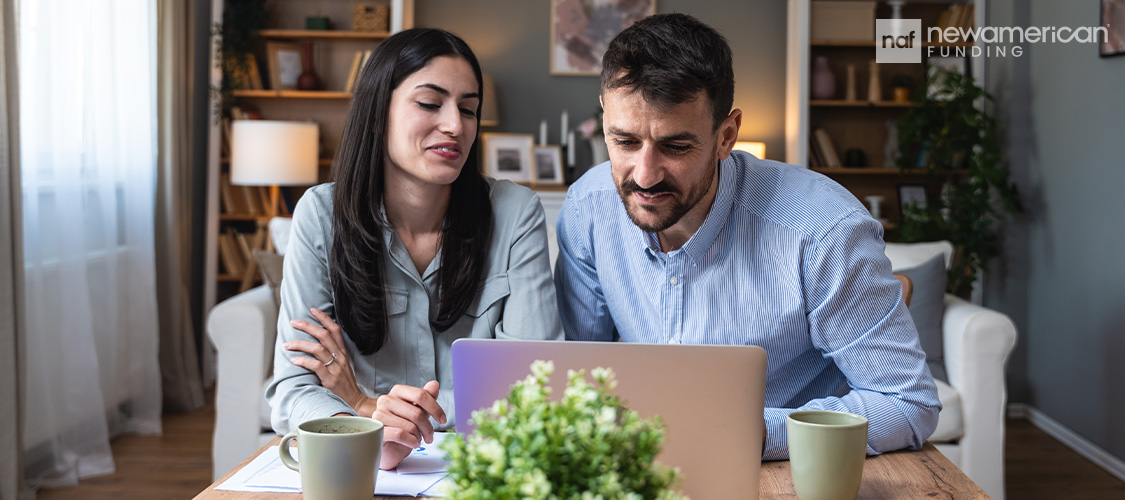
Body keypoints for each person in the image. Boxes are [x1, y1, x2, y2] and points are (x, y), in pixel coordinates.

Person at [553, 13, 940, 460]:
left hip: (780, 472)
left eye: (676, 147)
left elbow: (907, 404)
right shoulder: (588, 207)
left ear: (727, 135)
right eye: (624, 141)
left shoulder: (823, 232)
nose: (644, 175)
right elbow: (580, 371)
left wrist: (756, 432)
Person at [266, 28, 563, 469]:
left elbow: (537, 385)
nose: (455, 125)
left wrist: (368, 405)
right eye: (429, 103)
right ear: (377, 110)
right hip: (358, 470)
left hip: (482, 468)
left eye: (469, 109)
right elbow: (292, 390)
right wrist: (364, 422)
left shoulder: (515, 212)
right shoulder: (321, 214)